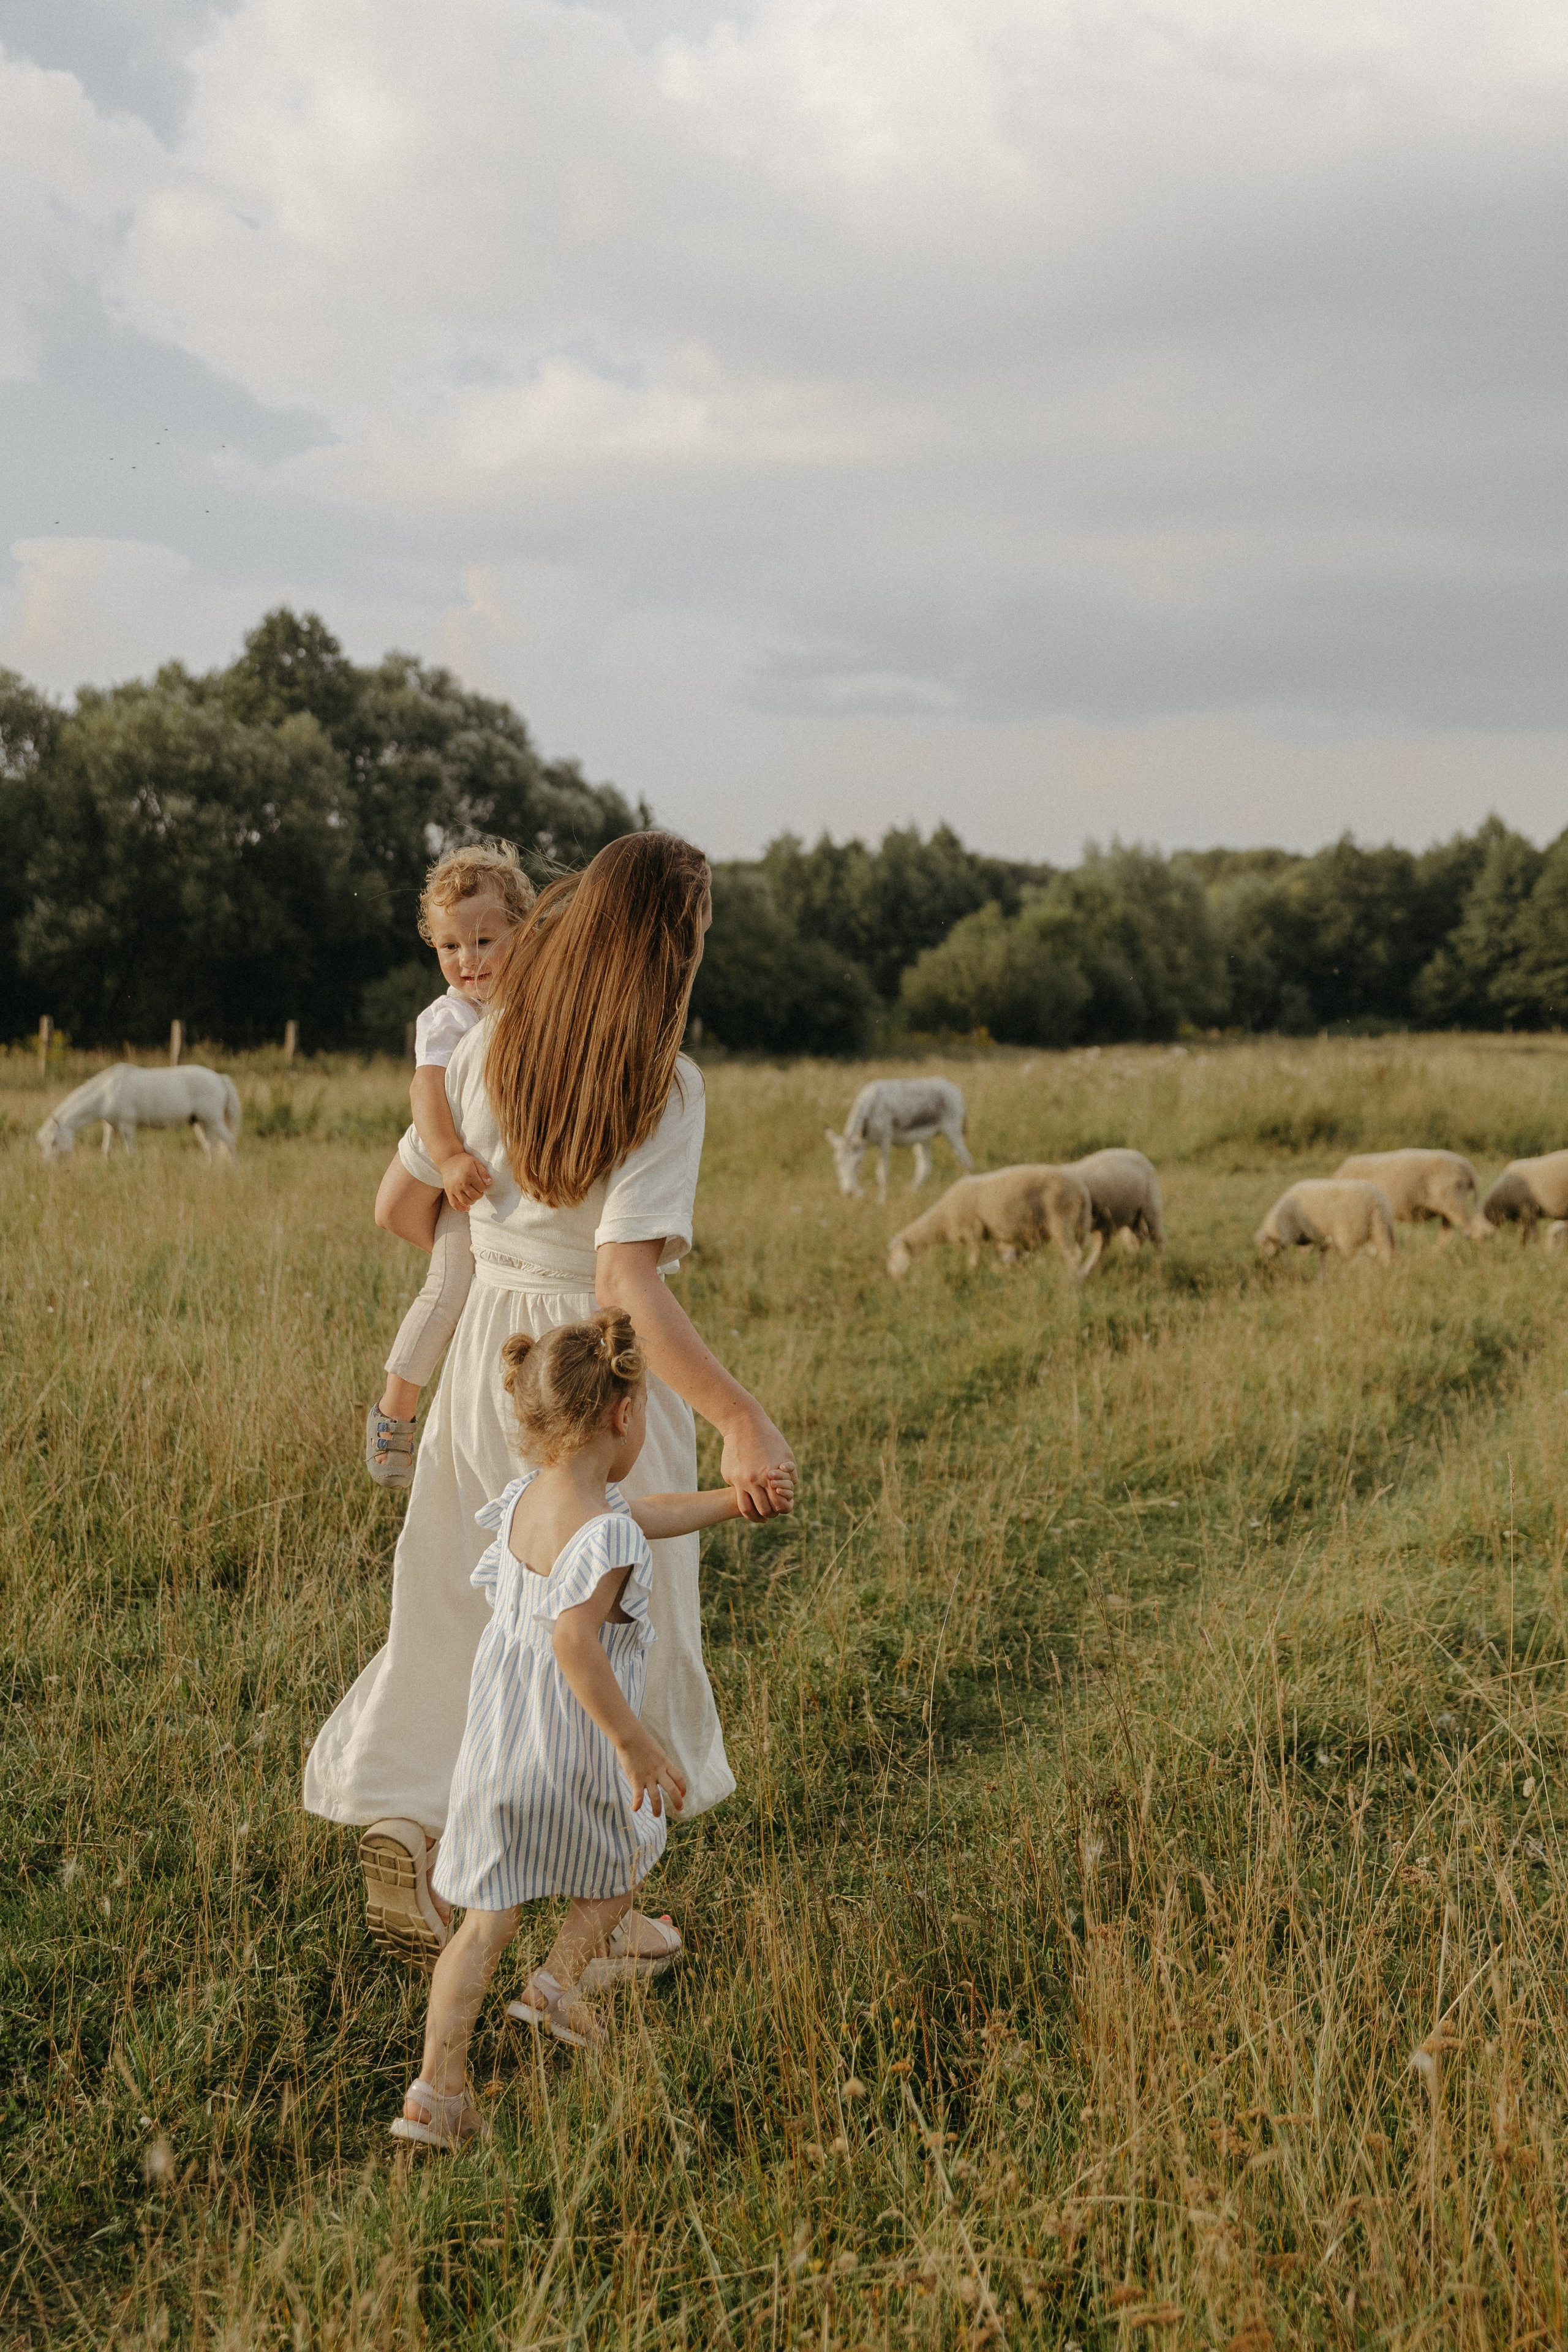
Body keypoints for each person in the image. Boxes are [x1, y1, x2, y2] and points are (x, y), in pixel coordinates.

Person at [304, 830, 794, 1982]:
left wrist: (496, 1252)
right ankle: (598, 1911)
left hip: (495, 1361)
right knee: (613, 1631)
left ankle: (417, 1825)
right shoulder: (662, 1083)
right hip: (597, 1382)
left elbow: (397, 1206)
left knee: (468, 1611)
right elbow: (627, 1281)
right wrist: (739, 1418)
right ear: (674, 946)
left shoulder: (484, 1047)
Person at [391, 1310, 792, 2149]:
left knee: (483, 1923)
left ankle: (438, 2089)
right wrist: (635, 1743)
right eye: (644, 1409)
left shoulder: (534, 1501)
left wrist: (729, 1502)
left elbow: (646, 1515)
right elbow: (575, 1641)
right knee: (626, 1858)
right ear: (622, 1417)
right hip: (571, 1750)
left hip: (496, 1753)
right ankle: (557, 1987)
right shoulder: (604, 1532)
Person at [366, 841, 535, 1490]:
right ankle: (395, 1409)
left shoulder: (533, 1004)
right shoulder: (449, 1017)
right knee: (446, 1290)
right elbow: (426, 1092)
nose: (467, 962)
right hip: (465, 1182)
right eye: (449, 948)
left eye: (485, 941)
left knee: (478, 1302)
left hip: (509, 1184)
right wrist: (449, 1156)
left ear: (523, 930)